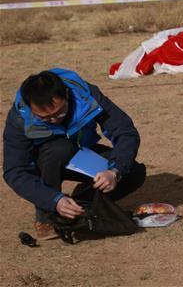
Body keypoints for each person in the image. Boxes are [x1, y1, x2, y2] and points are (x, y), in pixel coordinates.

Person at [3, 69, 147, 241]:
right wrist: (53, 200)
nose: (55, 120)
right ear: (30, 107)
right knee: (58, 149)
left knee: (133, 172)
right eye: (45, 118)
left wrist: (114, 170)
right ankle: (47, 216)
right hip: (46, 163)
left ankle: (80, 203)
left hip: (81, 154)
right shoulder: (19, 117)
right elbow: (15, 171)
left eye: (60, 112)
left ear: (66, 94)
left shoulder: (86, 95)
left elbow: (124, 131)